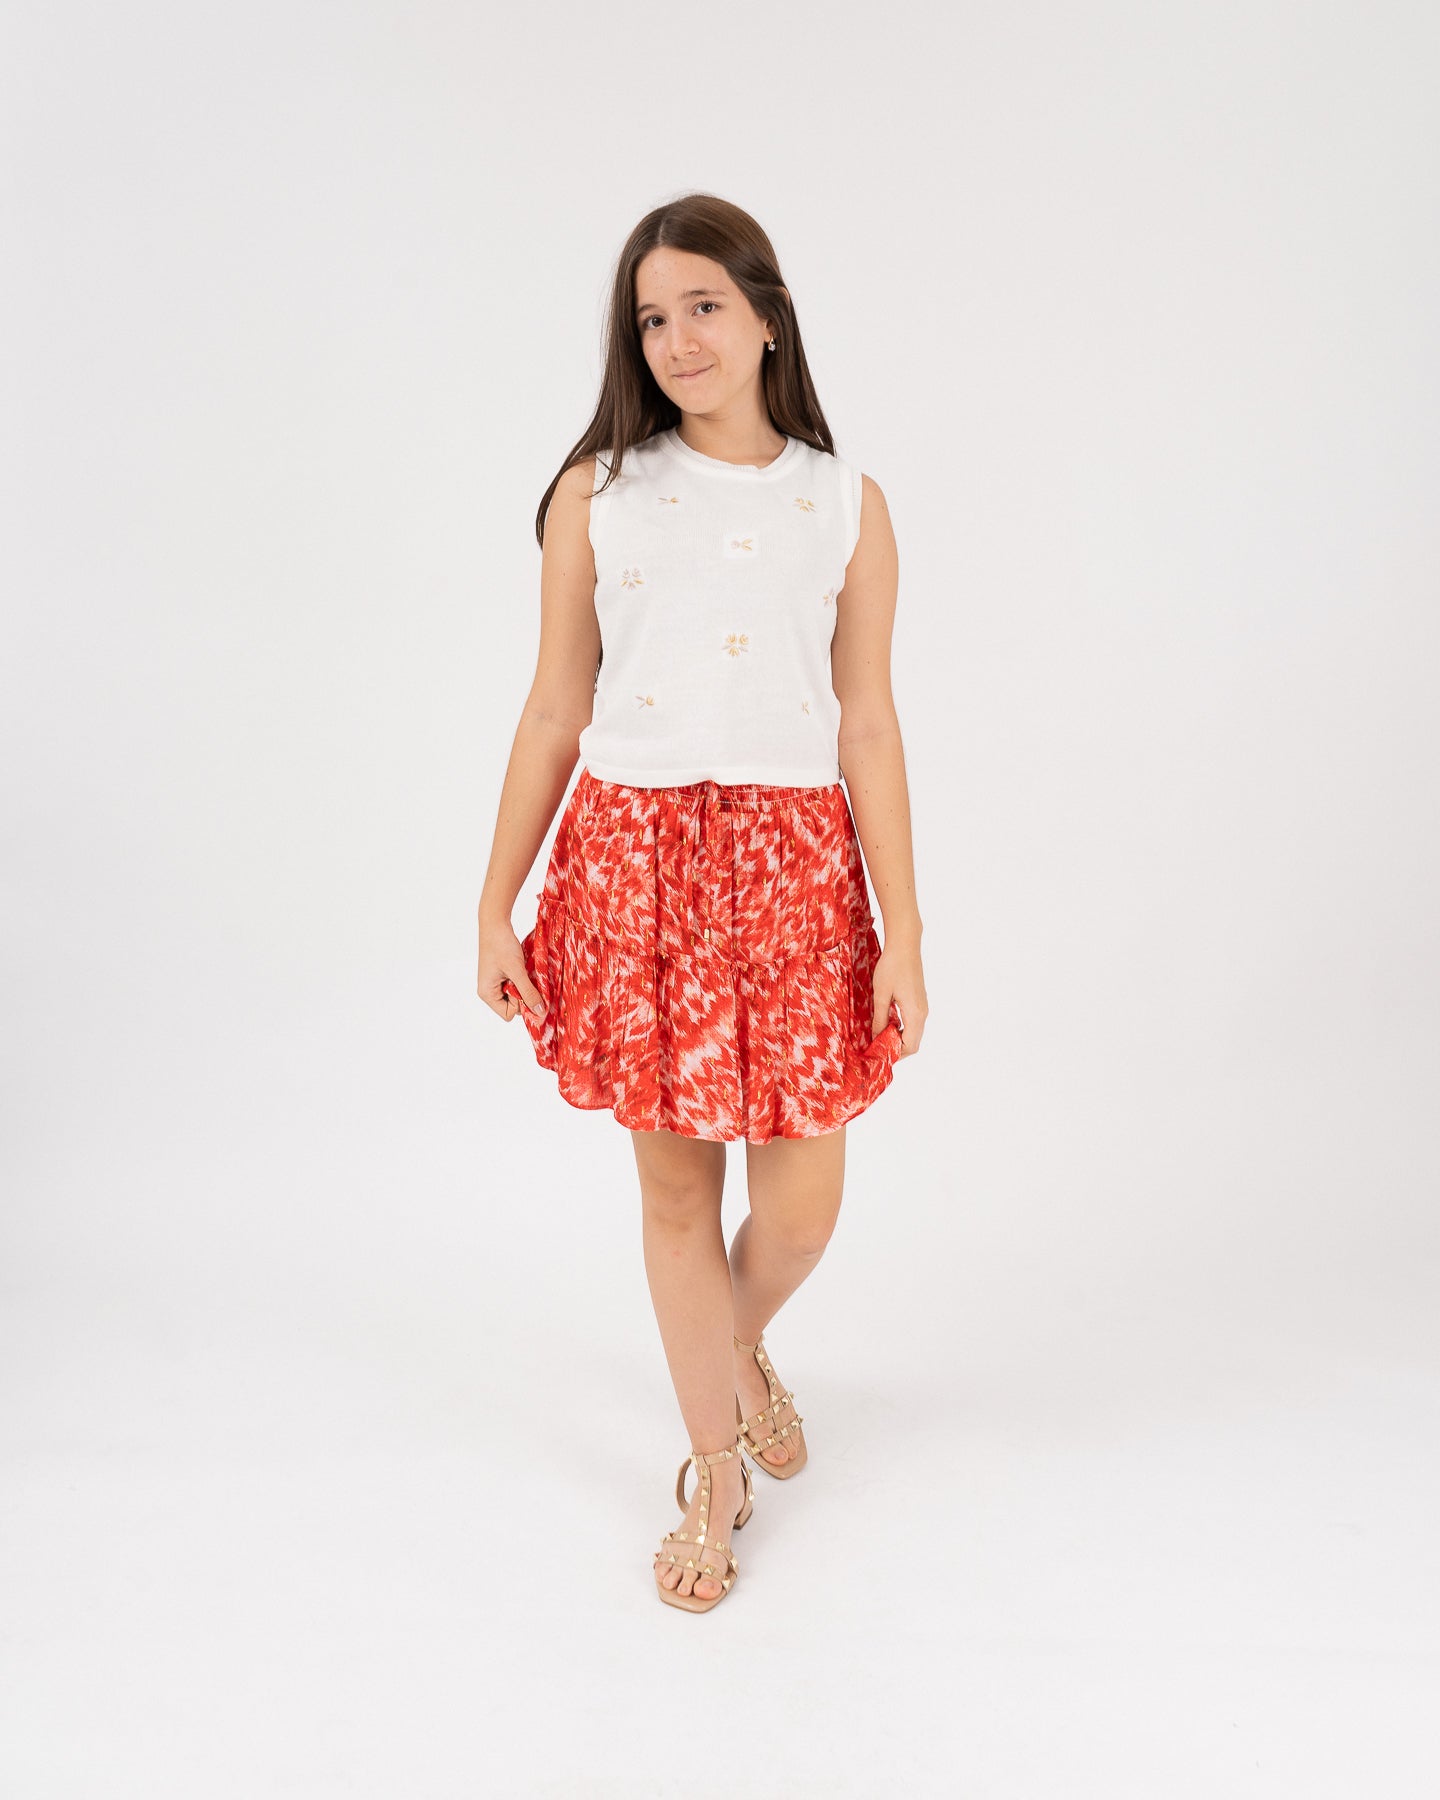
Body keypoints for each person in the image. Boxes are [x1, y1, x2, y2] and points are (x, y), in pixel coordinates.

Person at [476, 193, 927, 1614]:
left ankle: (733, 1342)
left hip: (796, 873)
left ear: (769, 317)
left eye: (705, 307)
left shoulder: (846, 503)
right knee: (677, 1193)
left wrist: (905, 933)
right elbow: (555, 708)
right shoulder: (596, 495)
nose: (678, 339)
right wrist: (495, 904)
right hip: (638, 867)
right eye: (653, 318)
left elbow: (868, 726)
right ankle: (713, 1474)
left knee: (801, 1206)